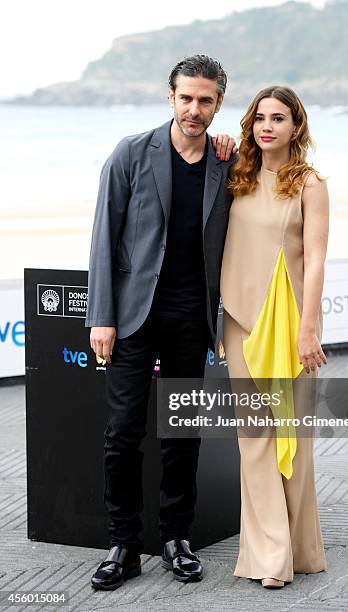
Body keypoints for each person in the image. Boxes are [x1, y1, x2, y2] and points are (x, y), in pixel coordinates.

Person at [85, 54, 237, 591]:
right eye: (187, 98)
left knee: (183, 433)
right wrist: (100, 316)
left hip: (191, 316)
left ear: (219, 103)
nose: (195, 109)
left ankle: (176, 538)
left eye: (206, 100)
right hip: (132, 315)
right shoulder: (130, 153)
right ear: (169, 97)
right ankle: (123, 544)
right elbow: (104, 236)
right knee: (121, 435)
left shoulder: (227, 163)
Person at [220, 85, 329, 588]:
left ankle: (300, 548)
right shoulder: (234, 175)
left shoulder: (309, 184)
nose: (268, 126)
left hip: (291, 326)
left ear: (295, 127)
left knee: (294, 438)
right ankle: (269, 556)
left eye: (279, 118)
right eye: (260, 117)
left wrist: (309, 329)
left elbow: (316, 260)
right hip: (241, 322)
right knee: (256, 438)